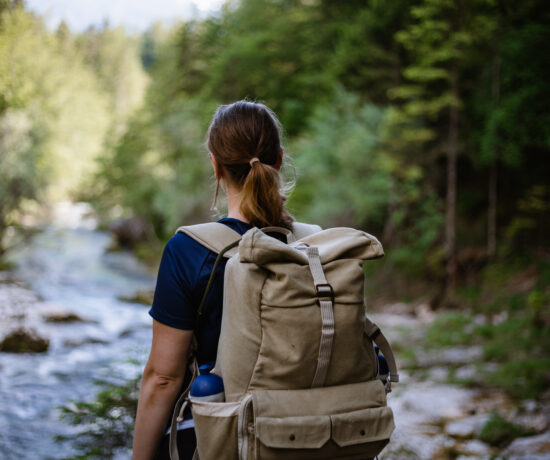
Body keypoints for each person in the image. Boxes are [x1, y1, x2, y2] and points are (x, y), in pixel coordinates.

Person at [132, 100, 294, 460]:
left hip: (219, 438)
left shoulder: (188, 250)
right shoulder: (311, 246)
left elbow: (163, 378)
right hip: (311, 435)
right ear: (278, 160)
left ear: (215, 163)